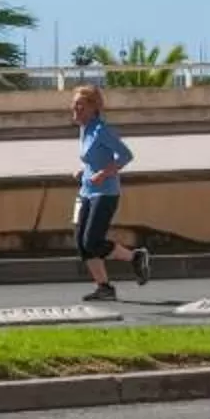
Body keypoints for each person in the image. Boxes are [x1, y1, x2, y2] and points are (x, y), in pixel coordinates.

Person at [66, 85, 151, 301]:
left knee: (92, 242)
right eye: (74, 104)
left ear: (93, 107)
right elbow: (92, 158)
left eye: (80, 105)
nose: (75, 108)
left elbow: (126, 155)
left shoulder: (102, 130)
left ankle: (135, 257)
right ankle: (104, 287)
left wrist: (104, 174)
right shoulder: (84, 129)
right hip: (86, 191)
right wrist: (84, 170)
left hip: (105, 193)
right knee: (82, 244)